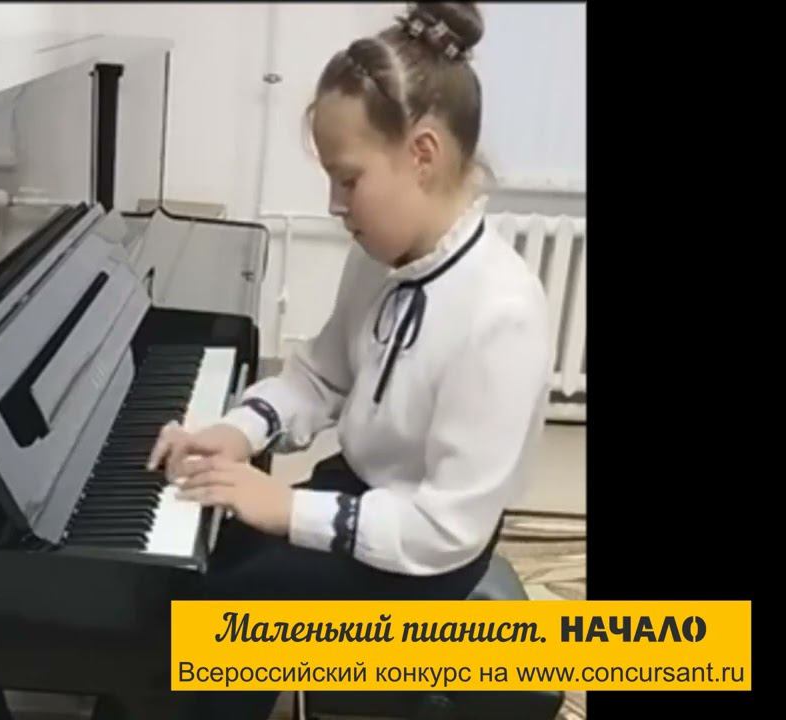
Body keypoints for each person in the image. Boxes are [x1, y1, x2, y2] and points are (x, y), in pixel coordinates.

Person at [147, 4, 552, 718]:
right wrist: (239, 430)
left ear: (422, 154)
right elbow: (321, 374)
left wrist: (288, 508)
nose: (335, 204)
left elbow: (444, 531)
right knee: (203, 555)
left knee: (224, 613)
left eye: (348, 179)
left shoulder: (503, 313)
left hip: (424, 564)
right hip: (365, 496)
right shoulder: (383, 256)